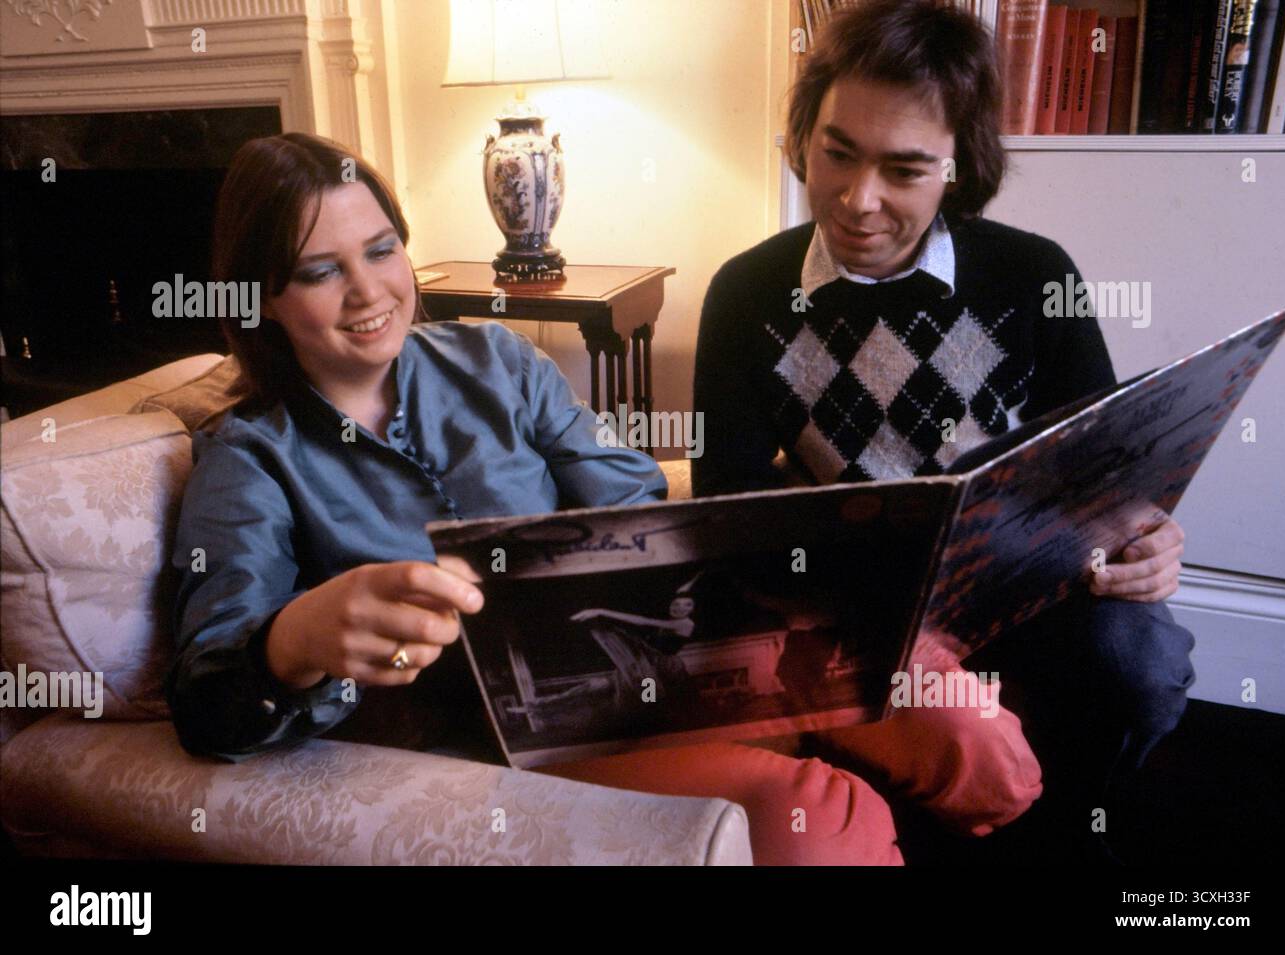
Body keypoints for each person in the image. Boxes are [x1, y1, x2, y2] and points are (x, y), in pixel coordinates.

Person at [167, 130, 1040, 866]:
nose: (368, 291)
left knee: (967, 731)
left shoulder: (495, 359)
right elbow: (209, 701)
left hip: (671, 644)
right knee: (817, 819)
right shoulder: (247, 459)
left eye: (382, 248)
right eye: (320, 271)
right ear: (263, 300)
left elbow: (633, 492)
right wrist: (294, 640)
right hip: (515, 731)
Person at [691, 0, 1194, 858]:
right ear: (805, 133)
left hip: (1019, 589)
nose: (859, 201)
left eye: (906, 169)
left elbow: (1108, 472)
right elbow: (723, 506)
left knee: (1140, 669)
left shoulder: (1034, 274)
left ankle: (1069, 819)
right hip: (847, 604)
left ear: (959, 166)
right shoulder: (746, 293)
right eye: (836, 154)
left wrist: (1146, 538)